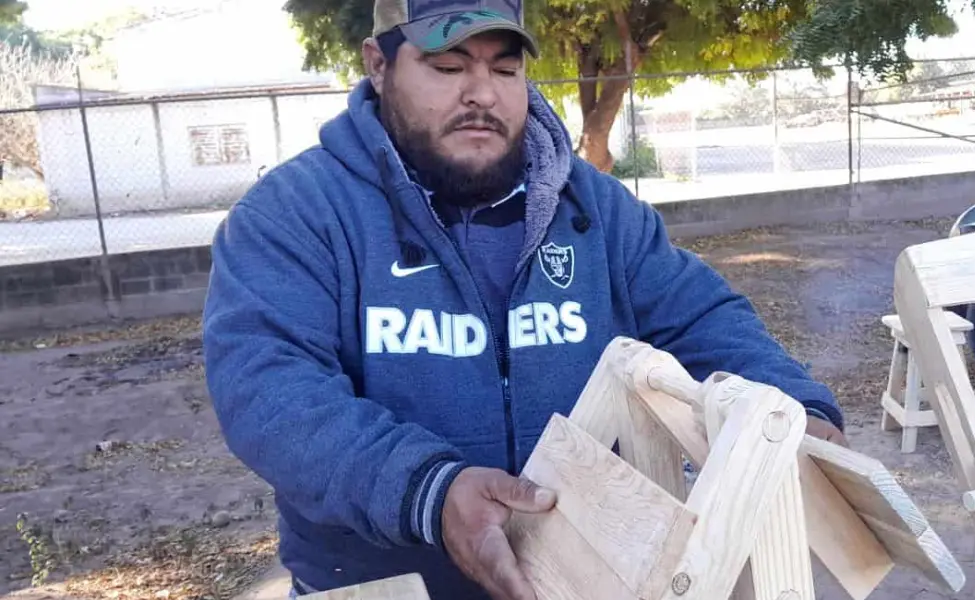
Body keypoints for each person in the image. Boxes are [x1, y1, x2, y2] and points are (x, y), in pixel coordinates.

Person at [201, 0, 846, 597]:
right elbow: (271, 391)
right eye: (447, 65)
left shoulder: (597, 211)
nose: (481, 92)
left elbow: (701, 316)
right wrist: (431, 492)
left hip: (583, 576)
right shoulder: (295, 214)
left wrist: (796, 411)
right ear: (378, 65)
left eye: (505, 68)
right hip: (382, 584)